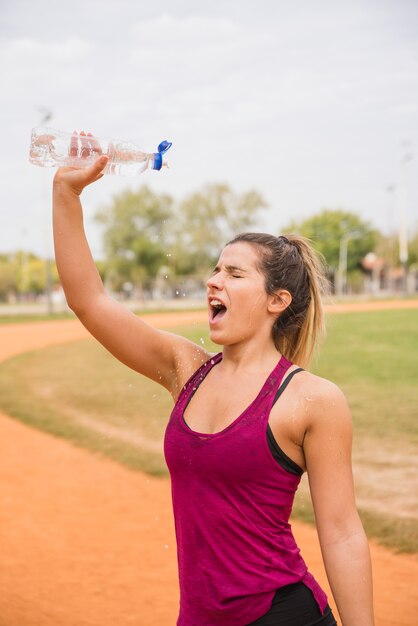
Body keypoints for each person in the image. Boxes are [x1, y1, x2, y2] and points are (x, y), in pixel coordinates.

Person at [52, 149, 375, 626]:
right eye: (216, 269)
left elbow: (343, 532)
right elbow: (90, 301)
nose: (212, 281)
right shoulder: (187, 369)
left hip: (282, 615)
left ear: (277, 301)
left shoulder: (311, 400)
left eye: (234, 273)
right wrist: (66, 192)